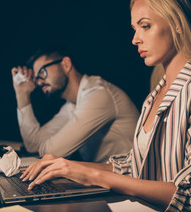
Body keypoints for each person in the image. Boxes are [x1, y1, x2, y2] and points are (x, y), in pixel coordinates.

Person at [21, 0, 191, 211]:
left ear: (177, 24)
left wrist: (91, 174)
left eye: (145, 26)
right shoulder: (156, 92)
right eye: (135, 29)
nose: (135, 39)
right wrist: (68, 167)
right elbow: (135, 164)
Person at [11, 46, 139, 163]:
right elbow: (33, 145)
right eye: (37, 78)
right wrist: (22, 93)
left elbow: (52, 152)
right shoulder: (72, 104)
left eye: (42, 72)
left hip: (129, 181)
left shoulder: (98, 94)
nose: (39, 82)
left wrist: (44, 146)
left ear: (66, 64)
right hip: (104, 181)